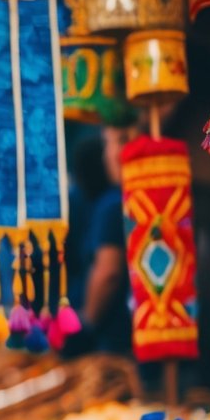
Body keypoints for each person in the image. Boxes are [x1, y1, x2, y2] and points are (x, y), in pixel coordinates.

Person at [80, 124, 140, 355]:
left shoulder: (113, 204)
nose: (107, 153)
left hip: (119, 345)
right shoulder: (124, 200)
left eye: (117, 141)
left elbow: (108, 273)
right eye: (106, 143)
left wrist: (87, 319)